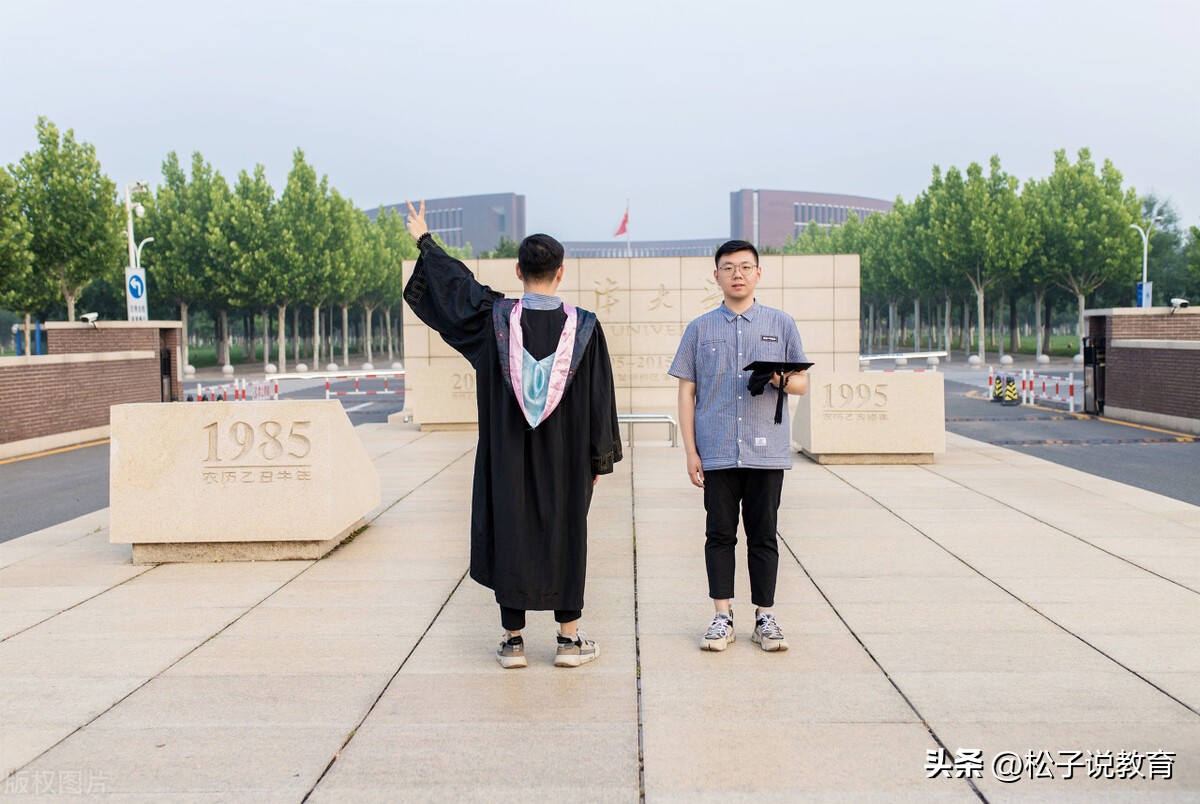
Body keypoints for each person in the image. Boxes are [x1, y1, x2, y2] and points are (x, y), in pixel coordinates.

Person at [402, 200, 622, 669]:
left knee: (512, 529)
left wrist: (425, 240)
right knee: (567, 533)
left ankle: (514, 642)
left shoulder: (494, 320)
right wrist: (597, 459)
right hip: (566, 459)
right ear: (561, 273)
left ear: (518, 270)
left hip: (507, 453)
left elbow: (457, 288)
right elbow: (601, 398)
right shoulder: (585, 327)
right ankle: (568, 641)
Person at [668, 239, 809, 653]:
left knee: (763, 535)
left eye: (745, 267)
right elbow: (686, 391)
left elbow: (801, 381)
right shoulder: (699, 329)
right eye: (728, 268)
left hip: (767, 451)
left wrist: (776, 377)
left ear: (758, 274)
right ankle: (721, 615)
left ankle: (764, 616)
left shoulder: (781, 324)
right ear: (717, 276)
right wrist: (691, 451)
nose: (737, 274)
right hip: (717, 450)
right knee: (719, 534)